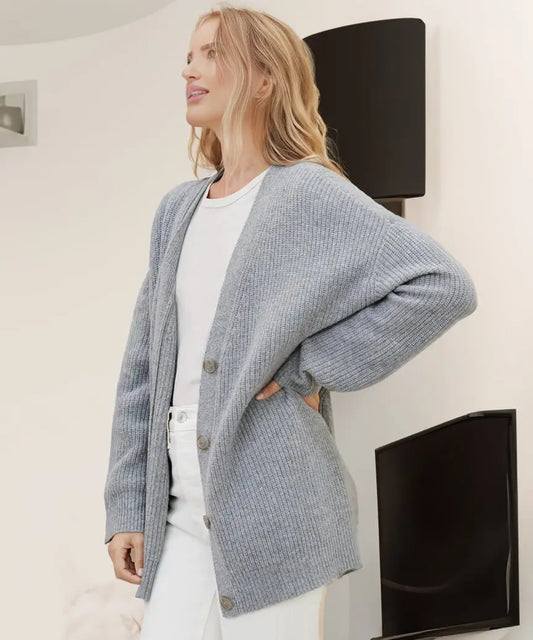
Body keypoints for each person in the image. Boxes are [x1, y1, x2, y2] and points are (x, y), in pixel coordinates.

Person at [104, 4, 478, 640]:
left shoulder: (307, 194)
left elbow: (443, 285)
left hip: (275, 503)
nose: (189, 69)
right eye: (189, 56)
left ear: (264, 77)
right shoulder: (178, 211)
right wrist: (125, 505)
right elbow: (142, 367)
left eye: (211, 53)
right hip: (178, 505)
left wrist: (309, 366)